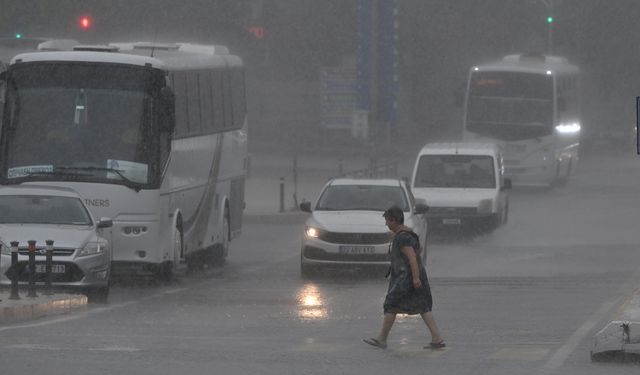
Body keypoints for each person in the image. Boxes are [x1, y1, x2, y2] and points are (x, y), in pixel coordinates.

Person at [363, 206, 445, 350]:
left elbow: (412, 258)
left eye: (387, 221)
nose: (386, 224)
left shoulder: (403, 237)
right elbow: (418, 251)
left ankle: (382, 339)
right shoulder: (409, 234)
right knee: (422, 305)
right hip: (412, 276)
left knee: (390, 304)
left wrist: (415, 279)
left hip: (406, 279)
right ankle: (437, 339)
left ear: (394, 220)